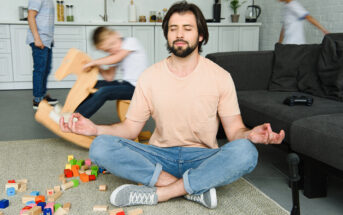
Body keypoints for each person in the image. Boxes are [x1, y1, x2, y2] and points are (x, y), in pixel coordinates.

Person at [60, 1, 285, 209]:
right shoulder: (149, 77)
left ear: (200, 36)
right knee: (99, 146)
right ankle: (192, 188)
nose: (179, 34)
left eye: (187, 28)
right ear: (167, 35)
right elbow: (129, 129)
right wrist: (95, 129)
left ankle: (161, 193)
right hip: (159, 156)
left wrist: (250, 135)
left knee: (246, 152)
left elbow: (235, 131)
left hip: (202, 157)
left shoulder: (221, 77)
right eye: (173, 28)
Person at [75, 27, 148, 118]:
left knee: (104, 91)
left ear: (117, 34)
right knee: (93, 84)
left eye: (112, 44)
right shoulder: (115, 54)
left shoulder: (131, 42)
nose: (112, 50)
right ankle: (73, 111)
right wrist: (98, 67)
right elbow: (109, 77)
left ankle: (75, 119)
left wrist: (94, 62)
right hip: (126, 84)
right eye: (107, 50)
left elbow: (117, 58)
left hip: (138, 89)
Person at [27, 0, 59, 110]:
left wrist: (51, 39)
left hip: (47, 40)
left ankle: (42, 95)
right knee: (40, 70)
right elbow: (31, 17)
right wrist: (37, 39)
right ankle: (37, 99)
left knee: (46, 69)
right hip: (40, 40)